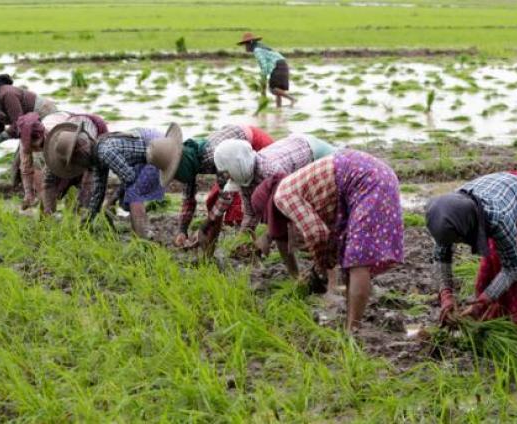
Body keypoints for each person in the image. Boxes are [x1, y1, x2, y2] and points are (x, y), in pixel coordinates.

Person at [272, 149, 403, 331]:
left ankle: (352, 331)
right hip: (372, 176)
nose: (299, 245)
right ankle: (350, 324)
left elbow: (316, 233)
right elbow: (327, 236)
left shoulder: (283, 197)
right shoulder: (303, 194)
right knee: (350, 260)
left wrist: (320, 267)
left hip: (367, 181)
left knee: (358, 260)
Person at [193, 134, 337, 268]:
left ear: (237, 165)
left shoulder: (270, 171)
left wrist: (267, 237)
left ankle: (328, 268)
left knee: (316, 216)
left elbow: (287, 207)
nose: (228, 177)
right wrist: (242, 238)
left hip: (315, 153)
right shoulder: (245, 174)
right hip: (293, 147)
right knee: (290, 229)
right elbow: (250, 213)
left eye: (228, 172)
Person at [426, 172, 517, 333]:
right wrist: (446, 296)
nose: (457, 244)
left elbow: (513, 268)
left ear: (469, 230)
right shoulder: (447, 216)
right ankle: (488, 328)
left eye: (459, 240)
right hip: (501, 199)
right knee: (487, 276)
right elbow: (441, 258)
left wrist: (484, 301)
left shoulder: (497, 218)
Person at [45, 124, 182, 238]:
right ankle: (142, 232)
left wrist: (112, 199)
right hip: (145, 154)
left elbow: (129, 177)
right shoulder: (97, 156)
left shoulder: (105, 152)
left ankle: (143, 237)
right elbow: (98, 193)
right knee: (125, 200)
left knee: (133, 193)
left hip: (158, 150)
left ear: (80, 152)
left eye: (76, 160)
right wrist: (86, 224)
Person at [166, 124, 274, 249]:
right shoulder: (190, 160)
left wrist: (204, 227)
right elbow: (188, 199)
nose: (176, 178)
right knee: (213, 202)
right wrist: (182, 230)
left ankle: (249, 249)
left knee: (239, 209)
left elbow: (225, 197)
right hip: (233, 155)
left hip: (253, 147)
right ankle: (211, 249)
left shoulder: (213, 157)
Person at [0, 67, 57, 204]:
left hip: (45, 119)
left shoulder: (7, 94)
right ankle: (24, 193)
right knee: (17, 165)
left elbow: (18, 125)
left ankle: (44, 198)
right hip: (27, 125)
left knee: (35, 160)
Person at [16, 112, 109, 214]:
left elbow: (90, 168)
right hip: (66, 145)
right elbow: (28, 170)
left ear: (43, 134)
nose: (38, 149)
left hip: (82, 136)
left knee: (89, 180)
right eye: (33, 148)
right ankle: (51, 212)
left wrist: (83, 199)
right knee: (53, 184)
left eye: (40, 144)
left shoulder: (57, 133)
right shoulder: (25, 146)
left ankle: (93, 209)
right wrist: (29, 194)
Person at [237, 32, 295, 108]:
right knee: (278, 91)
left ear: (250, 43)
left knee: (273, 89)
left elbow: (264, 66)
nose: (245, 47)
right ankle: (278, 109)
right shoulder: (262, 47)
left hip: (278, 66)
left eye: (246, 45)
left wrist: (263, 80)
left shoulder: (257, 50)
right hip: (282, 65)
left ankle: (292, 99)